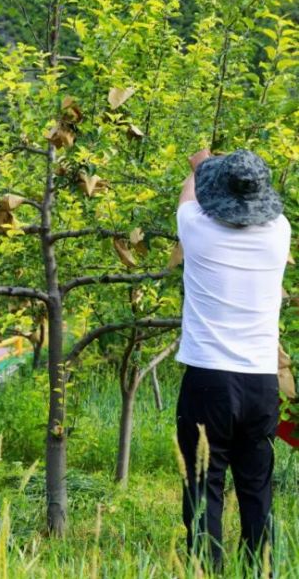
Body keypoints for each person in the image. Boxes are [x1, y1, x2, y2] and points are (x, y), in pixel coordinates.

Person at [175, 149, 291, 569]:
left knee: (205, 484)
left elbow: (190, 197)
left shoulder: (195, 229)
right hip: (261, 382)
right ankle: (259, 567)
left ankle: (207, 568)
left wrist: (201, 165)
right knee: (257, 484)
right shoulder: (280, 231)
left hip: (208, 380)